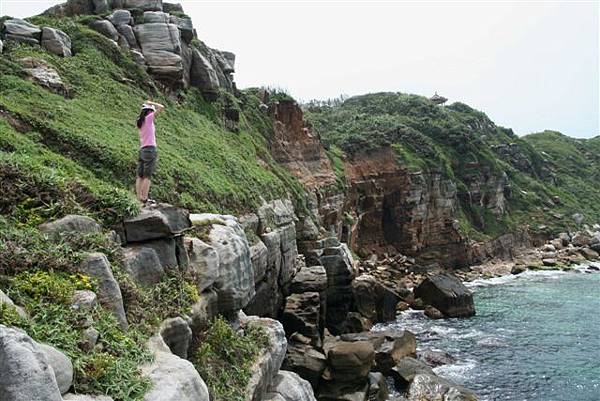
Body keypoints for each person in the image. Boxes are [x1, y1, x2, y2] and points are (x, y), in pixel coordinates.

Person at [136, 100, 164, 205]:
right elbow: (161, 107)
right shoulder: (148, 119)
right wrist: (152, 102)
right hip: (150, 149)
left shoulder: (140, 121)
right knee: (147, 176)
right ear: (149, 111)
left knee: (140, 175)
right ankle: (144, 198)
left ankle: (139, 197)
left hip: (142, 149)